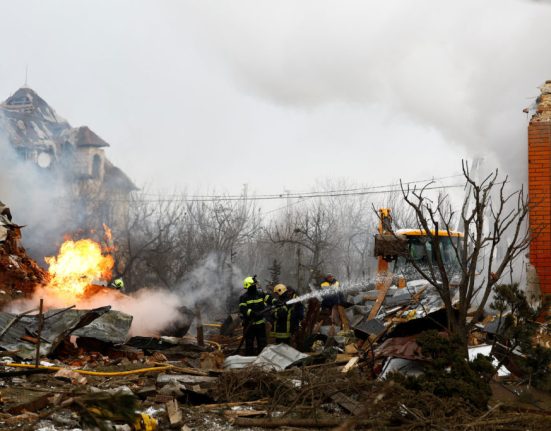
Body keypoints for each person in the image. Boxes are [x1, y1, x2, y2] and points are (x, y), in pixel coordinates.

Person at [239, 275, 273, 355]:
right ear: (250, 285)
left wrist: (275, 301)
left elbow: (269, 298)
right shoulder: (243, 297)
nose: (255, 285)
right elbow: (243, 309)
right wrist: (252, 313)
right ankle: (249, 359)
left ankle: (262, 359)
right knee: (249, 344)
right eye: (254, 284)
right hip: (249, 325)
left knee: (262, 344)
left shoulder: (260, 294)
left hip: (260, 325)